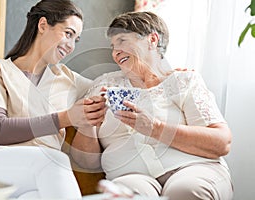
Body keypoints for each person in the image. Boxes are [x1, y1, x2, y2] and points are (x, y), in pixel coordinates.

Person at [71, 11, 233, 200]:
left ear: (152, 40)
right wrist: (87, 123)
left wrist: (154, 128)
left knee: (185, 191)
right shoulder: (103, 85)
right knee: (126, 195)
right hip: (130, 176)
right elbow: (86, 163)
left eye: (122, 41)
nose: (115, 52)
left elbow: (222, 143)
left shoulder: (184, 81)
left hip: (193, 167)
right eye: (113, 46)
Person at [0, 0, 106, 199]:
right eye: (68, 33)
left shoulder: (70, 80)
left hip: (40, 177)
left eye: (76, 39)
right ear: (42, 25)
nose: (71, 45)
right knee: (54, 160)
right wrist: (65, 118)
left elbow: (108, 85)